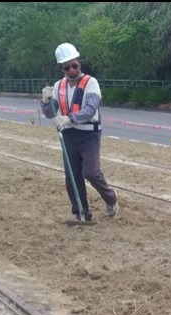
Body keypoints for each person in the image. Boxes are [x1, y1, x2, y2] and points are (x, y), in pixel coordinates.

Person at [41, 42, 119, 223]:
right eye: (67, 67)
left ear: (79, 63)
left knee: (91, 172)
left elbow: (91, 109)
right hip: (68, 135)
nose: (72, 70)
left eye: (74, 65)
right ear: (62, 68)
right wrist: (45, 102)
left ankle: (111, 198)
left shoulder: (91, 83)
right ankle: (81, 213)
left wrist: (69, 118)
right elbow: (50, 113)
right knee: (72, 175)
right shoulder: (58, 86)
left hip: (89, 134)